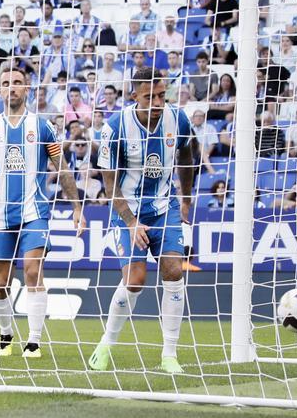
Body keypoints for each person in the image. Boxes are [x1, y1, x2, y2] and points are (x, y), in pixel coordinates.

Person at [88, 66, 195, 374]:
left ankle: (170, 354)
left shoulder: (179, 119)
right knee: (135, 280)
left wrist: (185, 200)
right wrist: (131, 222)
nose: (158, 102)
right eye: (151, 97)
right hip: (128, 211)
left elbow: (186, 158)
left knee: (174, 271)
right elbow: (111, 187)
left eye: (162, 95)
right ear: (135, 96)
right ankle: (107, 343)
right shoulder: (115, 127)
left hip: (165, 207)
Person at [0, 69, 85, 359]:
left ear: (27, 89)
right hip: (1, 216)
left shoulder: (43, 127)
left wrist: (77, 207)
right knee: (0, 283)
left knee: (33, 272)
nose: (10, 88)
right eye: (5, 84)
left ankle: (34, 342)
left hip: (34, 212)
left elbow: (61, 167)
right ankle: (5, 335)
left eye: (16, 83)